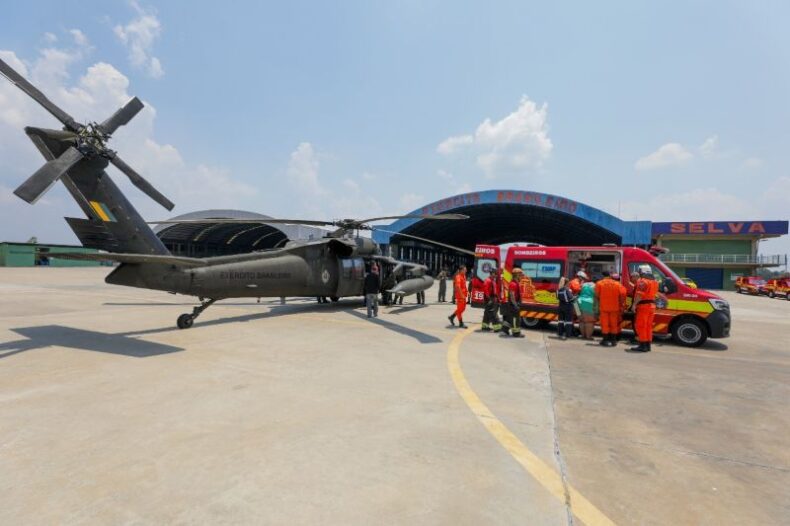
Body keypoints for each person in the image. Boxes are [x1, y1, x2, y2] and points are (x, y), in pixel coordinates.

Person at [630, 266, 659, 352]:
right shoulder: (655, 282)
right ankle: (648, 345)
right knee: (648, 327)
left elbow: (639, 294)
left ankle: (642, 345)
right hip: (651, 306)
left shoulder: (643, 281)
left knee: (641, 326)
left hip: (643, 306)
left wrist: (634, 305)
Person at [595, 271, 626, 347]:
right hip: (615, 308)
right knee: (614, 324)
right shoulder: (617, 284)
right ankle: (613, 341)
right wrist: (621, 304)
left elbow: (597, 295)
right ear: (610, 276)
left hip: (604, 307)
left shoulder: (599, 283)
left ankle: (605, 340)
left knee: (605, 324)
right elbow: (623, 294)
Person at [501, 268, 525, 337]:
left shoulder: (515, 283)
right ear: (517, 275)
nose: (521, 276)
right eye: (520, 275)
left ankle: (504, 330)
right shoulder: (513, 284)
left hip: (513, 305)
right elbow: (512, 296)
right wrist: (515, 305)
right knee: (515, 319)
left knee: (509, 318)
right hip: (513, 305)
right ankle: (516, 333)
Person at [611, 273, 627, 341]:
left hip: (610, 307)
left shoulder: (609, 287)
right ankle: (617, 337)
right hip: (618, 308)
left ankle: (612, 337)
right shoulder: (622, 287)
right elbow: (623, 299)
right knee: (617, 323)